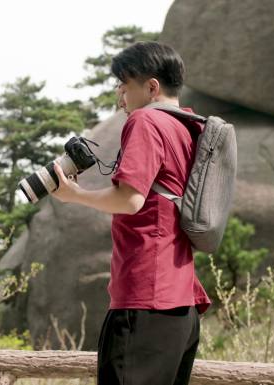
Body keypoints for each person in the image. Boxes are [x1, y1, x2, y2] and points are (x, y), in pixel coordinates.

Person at [49, 41, 212, 385]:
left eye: (125, 87)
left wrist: (73, 194)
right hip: (181, 305)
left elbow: (130, 200)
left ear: (151, 87)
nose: (121, 98)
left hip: (144, 299)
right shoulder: (188, 127)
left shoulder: (146, 121)